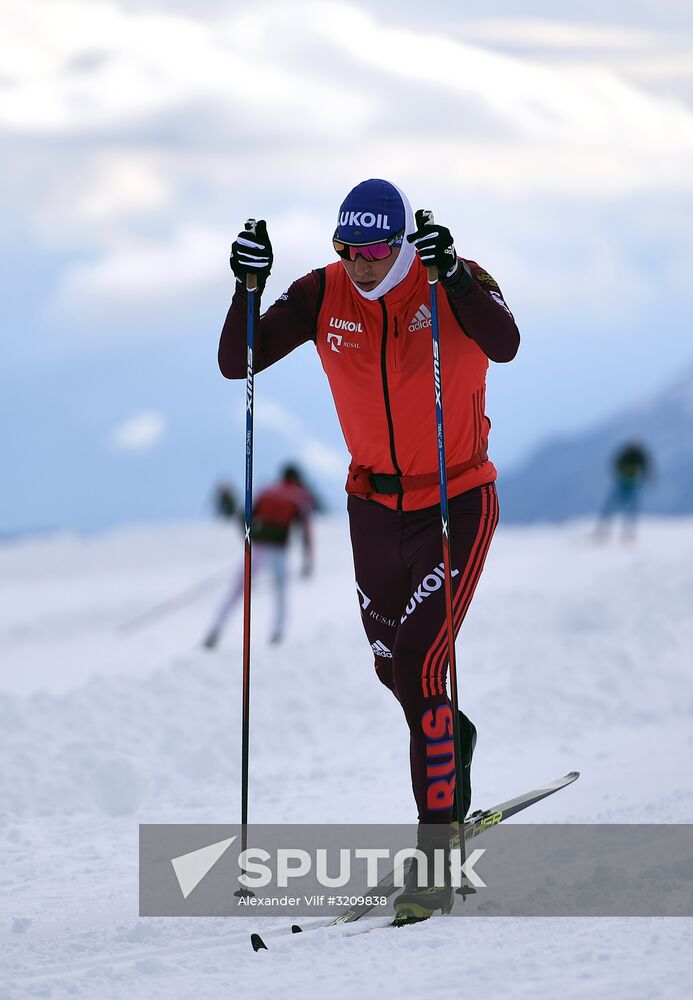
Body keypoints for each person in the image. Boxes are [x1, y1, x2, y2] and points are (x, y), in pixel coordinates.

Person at [218, 178, 520, 921]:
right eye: (346, 248)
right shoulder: (323, 294)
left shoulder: (454, 277)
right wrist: (246, 288)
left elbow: (505, 344)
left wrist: (450, 275)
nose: (358, 262)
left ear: (401, 243)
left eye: (374, 249)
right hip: (371, 509)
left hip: (455, 499)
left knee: (422, 664)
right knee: (398, 675)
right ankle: (454, 736)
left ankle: (435, 853)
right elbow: (238, 361)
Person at [203, 464, 314, 648]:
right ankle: (277, 634)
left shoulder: (268, 490)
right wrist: (308, 560)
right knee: (280, 590)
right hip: (279, 549)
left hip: (258, 547)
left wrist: (247, 542)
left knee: (238, 589)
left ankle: (216, 628)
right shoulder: (300, 496)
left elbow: (243, 515)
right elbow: (306, 531)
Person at [595, 440, 652, 543]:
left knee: (622, 507)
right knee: (622, 507)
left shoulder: (636, 456)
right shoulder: (634, 455)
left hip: (627, 484)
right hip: (626, 484)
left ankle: (623, 532)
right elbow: (644, 468)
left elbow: (644, 468)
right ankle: (607, 530)